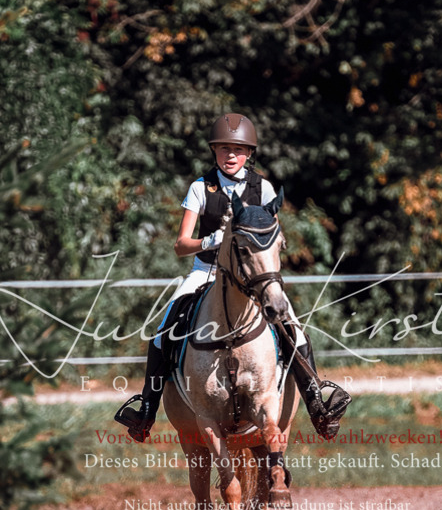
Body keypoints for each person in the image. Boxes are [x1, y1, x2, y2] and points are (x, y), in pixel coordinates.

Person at [114, 113, 350, 441]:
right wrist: (209, 241)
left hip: (251, 277)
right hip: (204, 272)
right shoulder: (200, 188)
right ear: (214, 151)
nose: (230, 155)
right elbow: (180, 245)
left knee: (293, 329)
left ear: (249, 154)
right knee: (161, 333)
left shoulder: (264, 188)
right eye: (223, 148)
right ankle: (146, 411)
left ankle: (317, 404)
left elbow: (271, 236)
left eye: (238, 149)